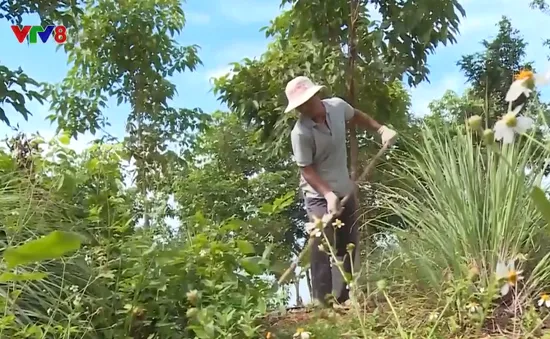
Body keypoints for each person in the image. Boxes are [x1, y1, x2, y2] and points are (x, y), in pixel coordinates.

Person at [285, 76, 397, 307]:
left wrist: (380, 129)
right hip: (317, 195)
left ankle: (345, 297)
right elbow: (306, 170)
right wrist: (327, 195)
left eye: (307, 102)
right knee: (320, 242)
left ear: (316, 95)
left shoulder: (336, 107)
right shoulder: (300, 133)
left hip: (344, 188)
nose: (304, 108)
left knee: (349, 242)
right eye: (299, 106)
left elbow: (355, 115)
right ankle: (322, 303)